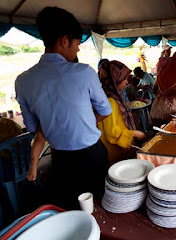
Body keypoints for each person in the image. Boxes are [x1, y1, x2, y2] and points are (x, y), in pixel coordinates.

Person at [15, 7, 112, 209]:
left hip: (60, 161)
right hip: (92, 157)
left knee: (72, 206)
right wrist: (86, 121)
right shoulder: (84, 72)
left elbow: (33, 127)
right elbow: (105, 110)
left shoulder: (22, 81)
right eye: (77, 44)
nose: (78, 50)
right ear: (65, 40)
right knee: (103, 207)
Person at [97, 60, 146, 165]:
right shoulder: (110, 101)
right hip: (116, 152)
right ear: (115, 80)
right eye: (124, 79)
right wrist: (135, 133)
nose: (127, 82)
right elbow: (112, 133)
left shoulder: (111, 96)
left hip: (120, 147)